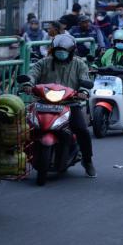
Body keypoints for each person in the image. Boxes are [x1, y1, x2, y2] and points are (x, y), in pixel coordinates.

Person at [23, 34, 96, 177]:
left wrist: (83, 91)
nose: (60, 53)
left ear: (71, 51)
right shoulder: (44, 62)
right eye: (57, 51)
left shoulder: (79, 64)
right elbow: (32, 74)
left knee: (82, 130)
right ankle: (19, 158)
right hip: (44, 103)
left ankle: (87, 160)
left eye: (64, 51)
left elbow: (85, 79)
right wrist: (27, 84)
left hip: (70, 104)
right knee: (26, 128)